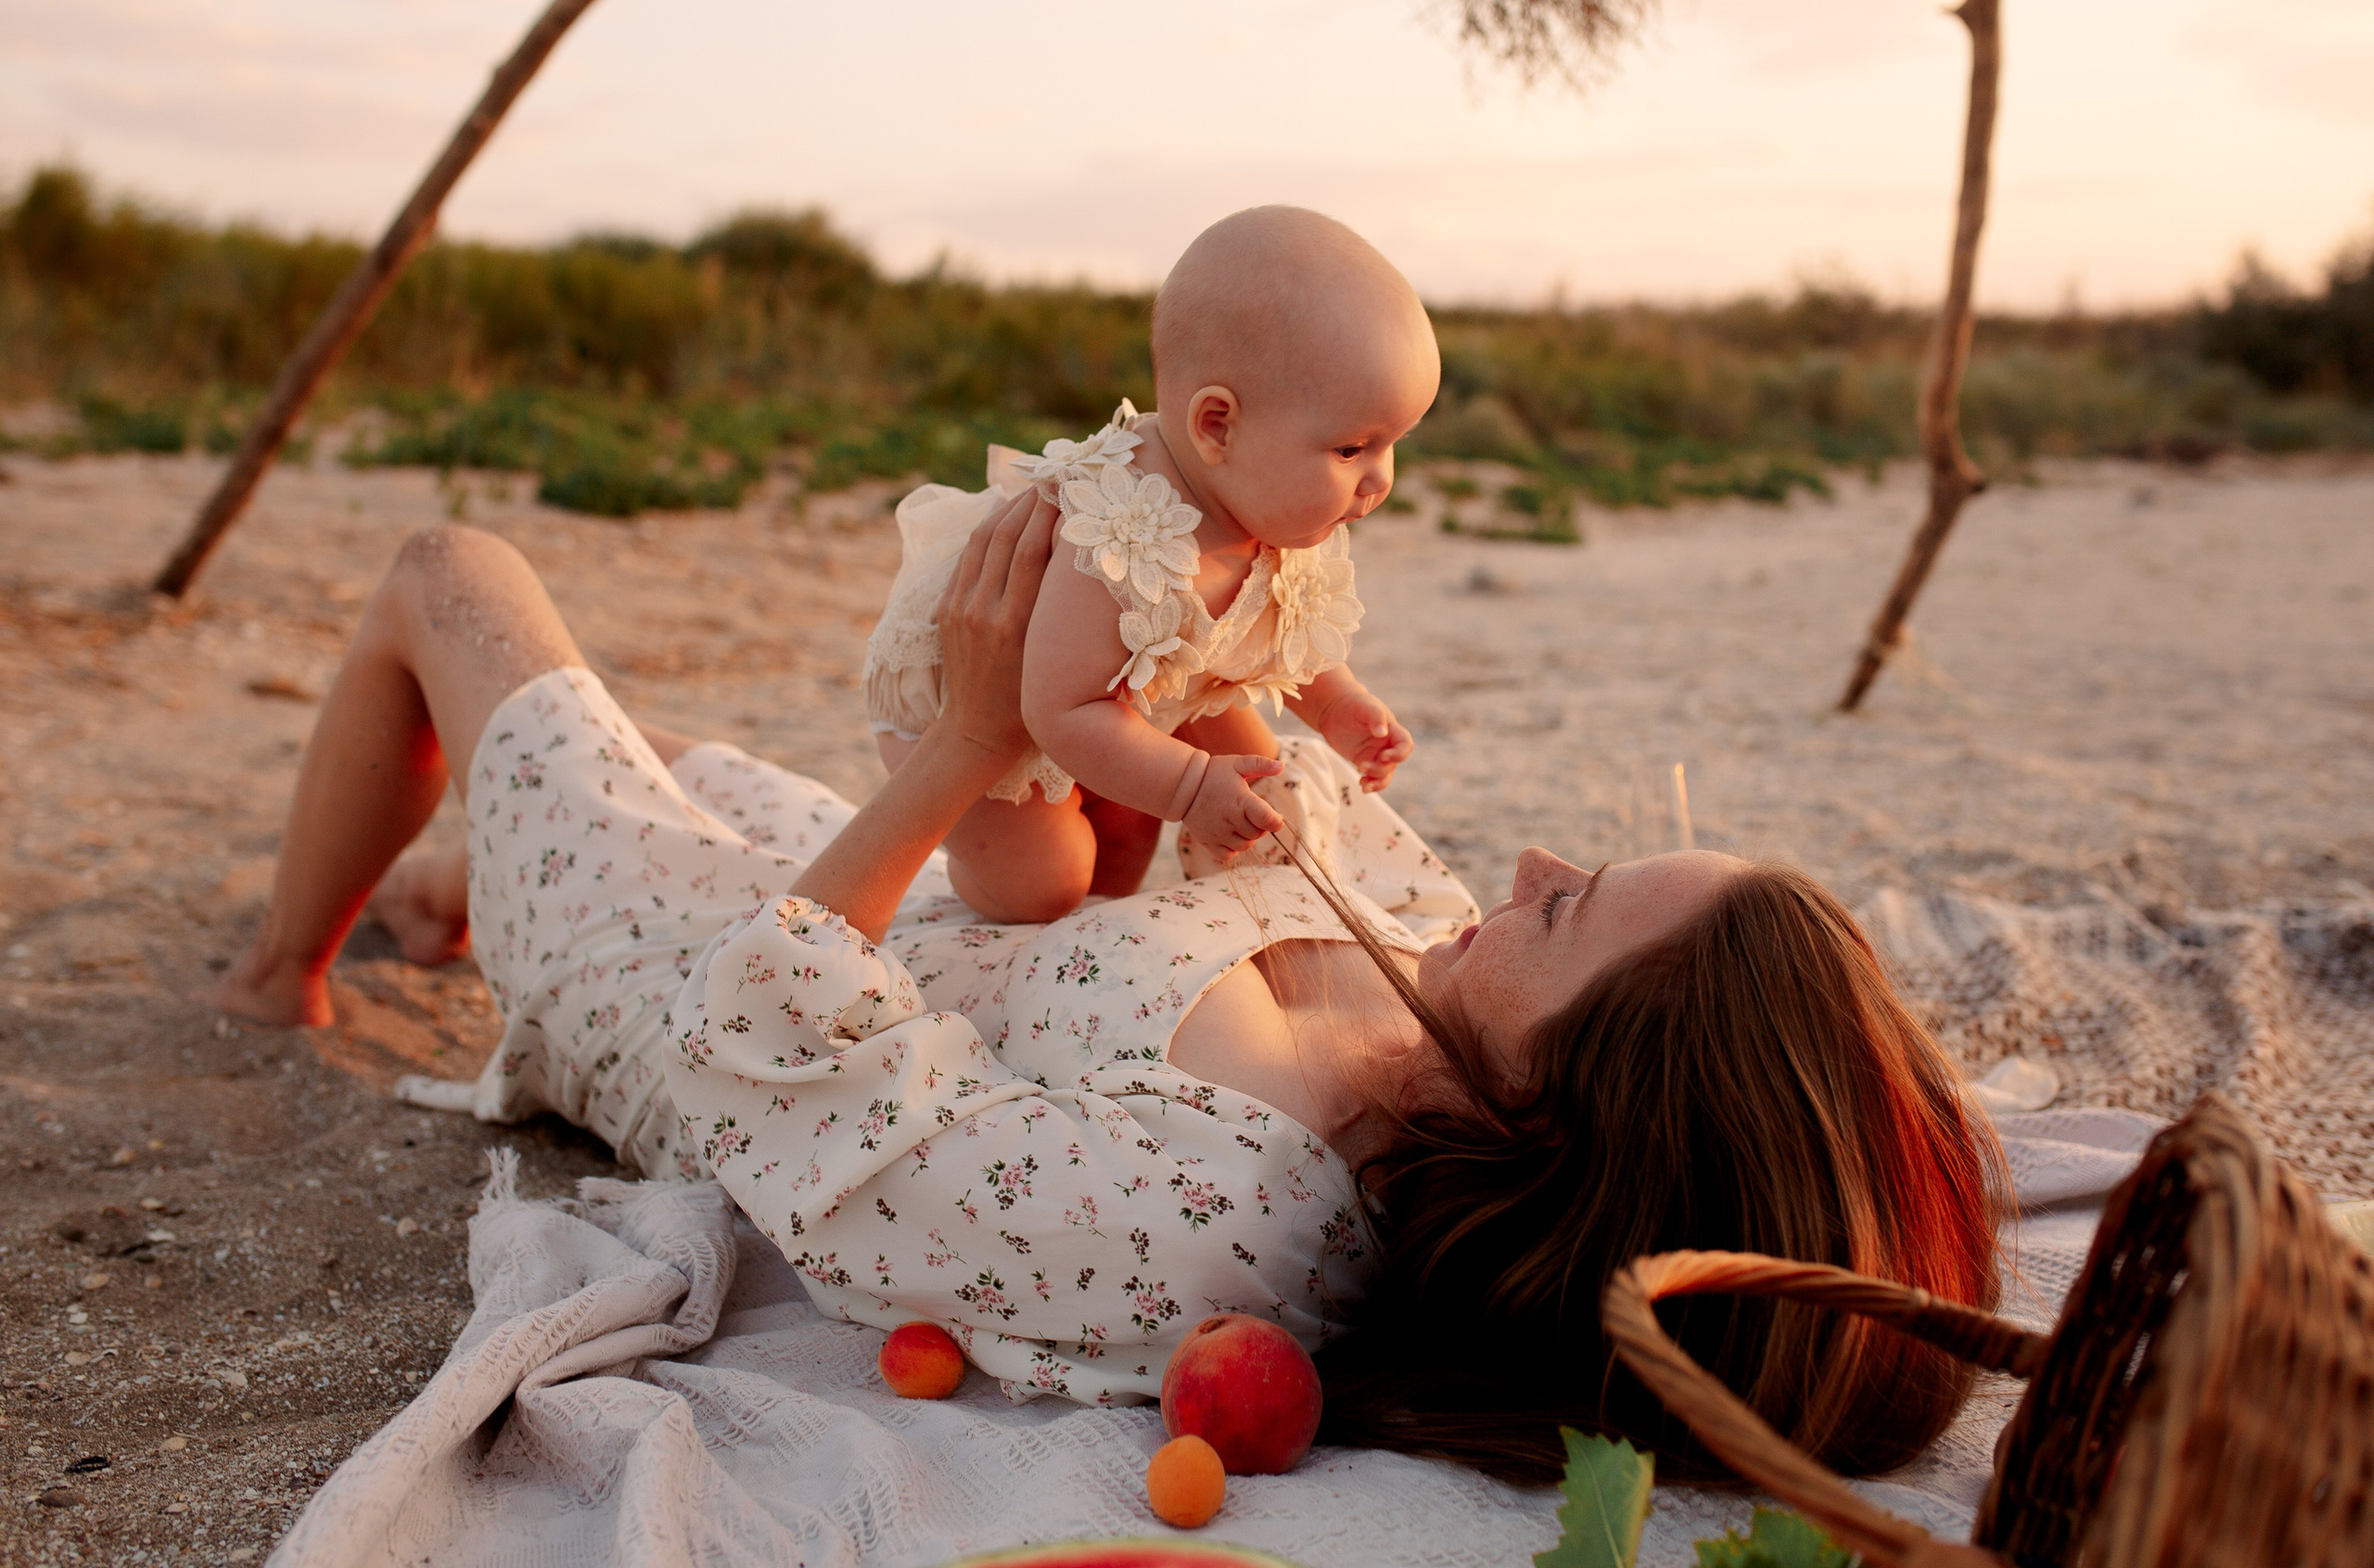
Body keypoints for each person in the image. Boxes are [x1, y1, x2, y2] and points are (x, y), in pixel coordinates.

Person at [214, 492, 2002, 1486]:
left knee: (459, 577)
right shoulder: (1429, 955)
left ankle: (281, 970)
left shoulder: (1216, 1219)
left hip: (715, 980)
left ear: (1565, 1103)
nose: (1522, 872)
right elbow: (1219, 796)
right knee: (670, 749)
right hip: (900, 902)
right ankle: (461, 872)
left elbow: (771, 1067)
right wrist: (1173, 604)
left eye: (1574, 909)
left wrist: (967, 749)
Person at [860, 205, 1429, 924]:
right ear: (1216, 424)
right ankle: (990, 888)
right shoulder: (1121, 533)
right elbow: (1058, 707)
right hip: (988, 711)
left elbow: (1270, 625)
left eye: (1392, 444)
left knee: (1236, 798)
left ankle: (1096, 925)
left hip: (1115, 694)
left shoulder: (1261, 497)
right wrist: (1189, 786)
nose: (1380, 480)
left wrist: (1338, 705)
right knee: (1049, 880)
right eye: (1353, 449)